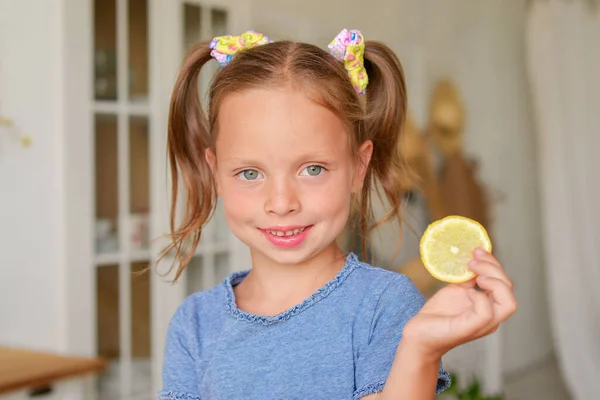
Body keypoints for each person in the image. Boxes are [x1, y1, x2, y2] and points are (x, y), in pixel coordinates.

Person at [157, 29, 517, 400]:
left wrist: (420, 349)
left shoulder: (385, 305)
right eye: (250, 173)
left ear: (358, 168)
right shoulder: (194, 323)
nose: (281, 203)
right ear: (215, 172)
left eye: (312, 169)